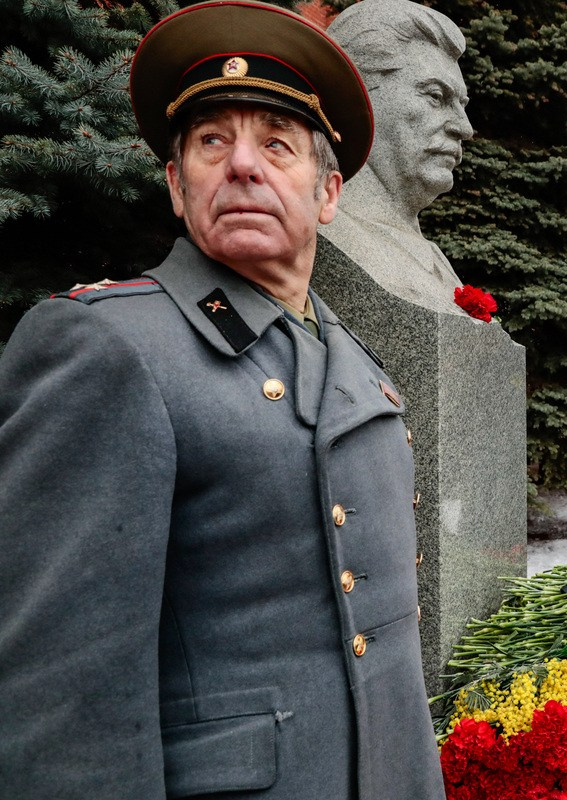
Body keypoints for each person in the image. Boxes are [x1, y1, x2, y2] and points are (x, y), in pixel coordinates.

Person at [0, 3, 445, 797]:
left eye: (277, 144)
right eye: (211, 143)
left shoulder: (353, 358)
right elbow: (63, 704)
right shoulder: (106, 348)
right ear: (177, 185)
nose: (243, 165)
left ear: (329, 191)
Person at [323, 0, 475, 316]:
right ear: (361, 94)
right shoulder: (324, 235)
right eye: (436, 96)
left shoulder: (434, 260)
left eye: (462, 104)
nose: (464, 128)